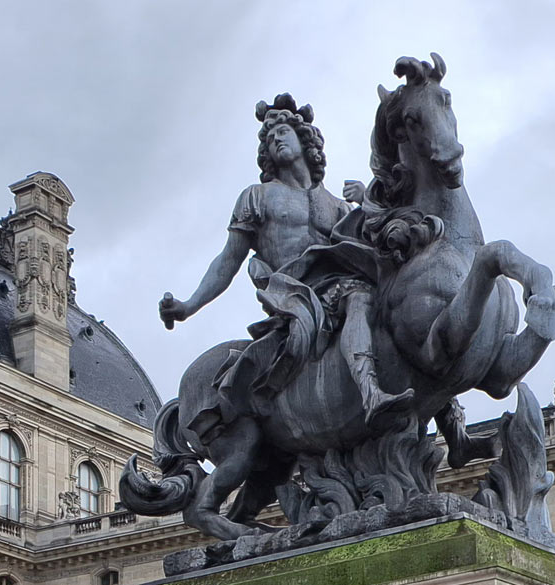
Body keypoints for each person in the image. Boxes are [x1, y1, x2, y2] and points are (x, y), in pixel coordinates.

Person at [159, 93, 413, 434]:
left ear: (305, 141)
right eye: (269, 136)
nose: (275, 138)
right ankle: (370, 394)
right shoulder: (258, 196)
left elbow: (375, 251)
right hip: (291, 293)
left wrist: (368, 202)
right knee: (359, 296)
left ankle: (450, 424)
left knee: (402, 310)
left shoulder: (337, 205)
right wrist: (188, 306)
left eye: (283, 132)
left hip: (335, 286)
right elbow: (228, 259)